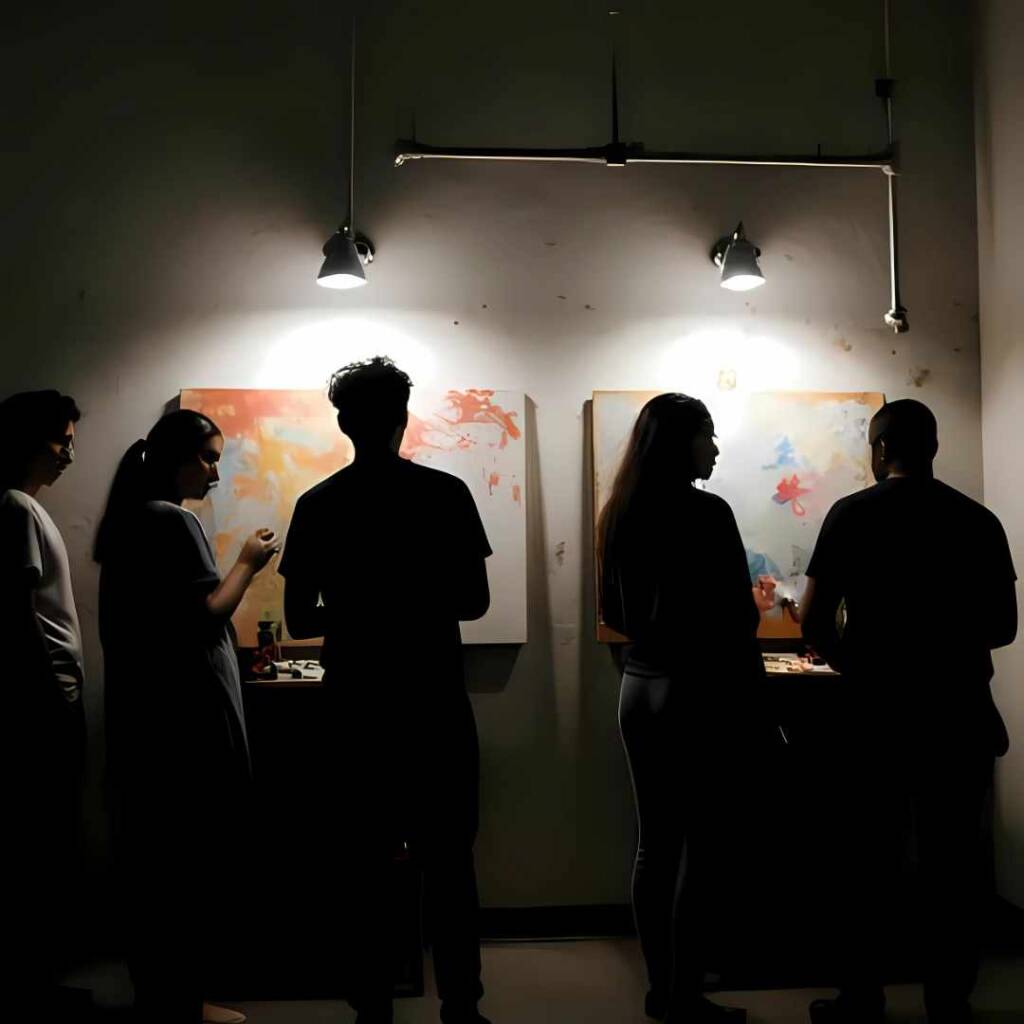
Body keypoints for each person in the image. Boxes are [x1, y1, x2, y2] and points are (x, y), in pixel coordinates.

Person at [279, 356, 492, 1024]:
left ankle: (372, 1007)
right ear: (403, 418)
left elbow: (299, 620)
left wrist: (359, 609)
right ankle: (461, 1006)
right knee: (450, 865)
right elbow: (475, 602)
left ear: (345, 423)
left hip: (356, 708)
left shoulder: (318, 505)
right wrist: (414, 601)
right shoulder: (446, 494)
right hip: (434, 703)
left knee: (364, 870)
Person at [801, 398, 1018, 1024]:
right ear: (934, 447)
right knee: (953, 866)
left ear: (878, 450)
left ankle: (860, 997)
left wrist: (856, 662)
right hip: (957, 716)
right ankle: (948, 999)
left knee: (867, 862)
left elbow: (814, 620)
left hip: (874, 717)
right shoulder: (977, 520)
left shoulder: (851, 514)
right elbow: (1003, 627)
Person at [94, 410, 278, 1024]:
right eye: (207, 458)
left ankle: (165, 998)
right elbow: (208, 611)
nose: (215, 473)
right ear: (174, 459)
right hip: (185, 719)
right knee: (186, 867)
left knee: (156, 867)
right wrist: (249, 560)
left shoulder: (128, 521)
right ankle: (181, 1004)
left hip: (146, 717)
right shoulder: (172, 519)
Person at [598, 393, 776, 1024]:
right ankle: (687, 994)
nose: (716, 448)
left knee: (655, 845)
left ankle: (660, 988)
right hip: (696, 689)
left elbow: (614, 614)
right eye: (708, 435)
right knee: (702, 847)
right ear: (683, 442)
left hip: (639, 686)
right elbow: (737, 618)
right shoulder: (707, 512)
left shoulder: (620, 512)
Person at [0, 390, 88, 1018]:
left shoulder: (24, 507)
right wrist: (50, 695)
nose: (69, 454)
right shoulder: (15, 507)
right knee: (41, 844)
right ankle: (34, 985)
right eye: (61, 441)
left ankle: (38, 980)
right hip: (42, 701)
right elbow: (16, 612)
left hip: (46, 695)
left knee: (46, 842)